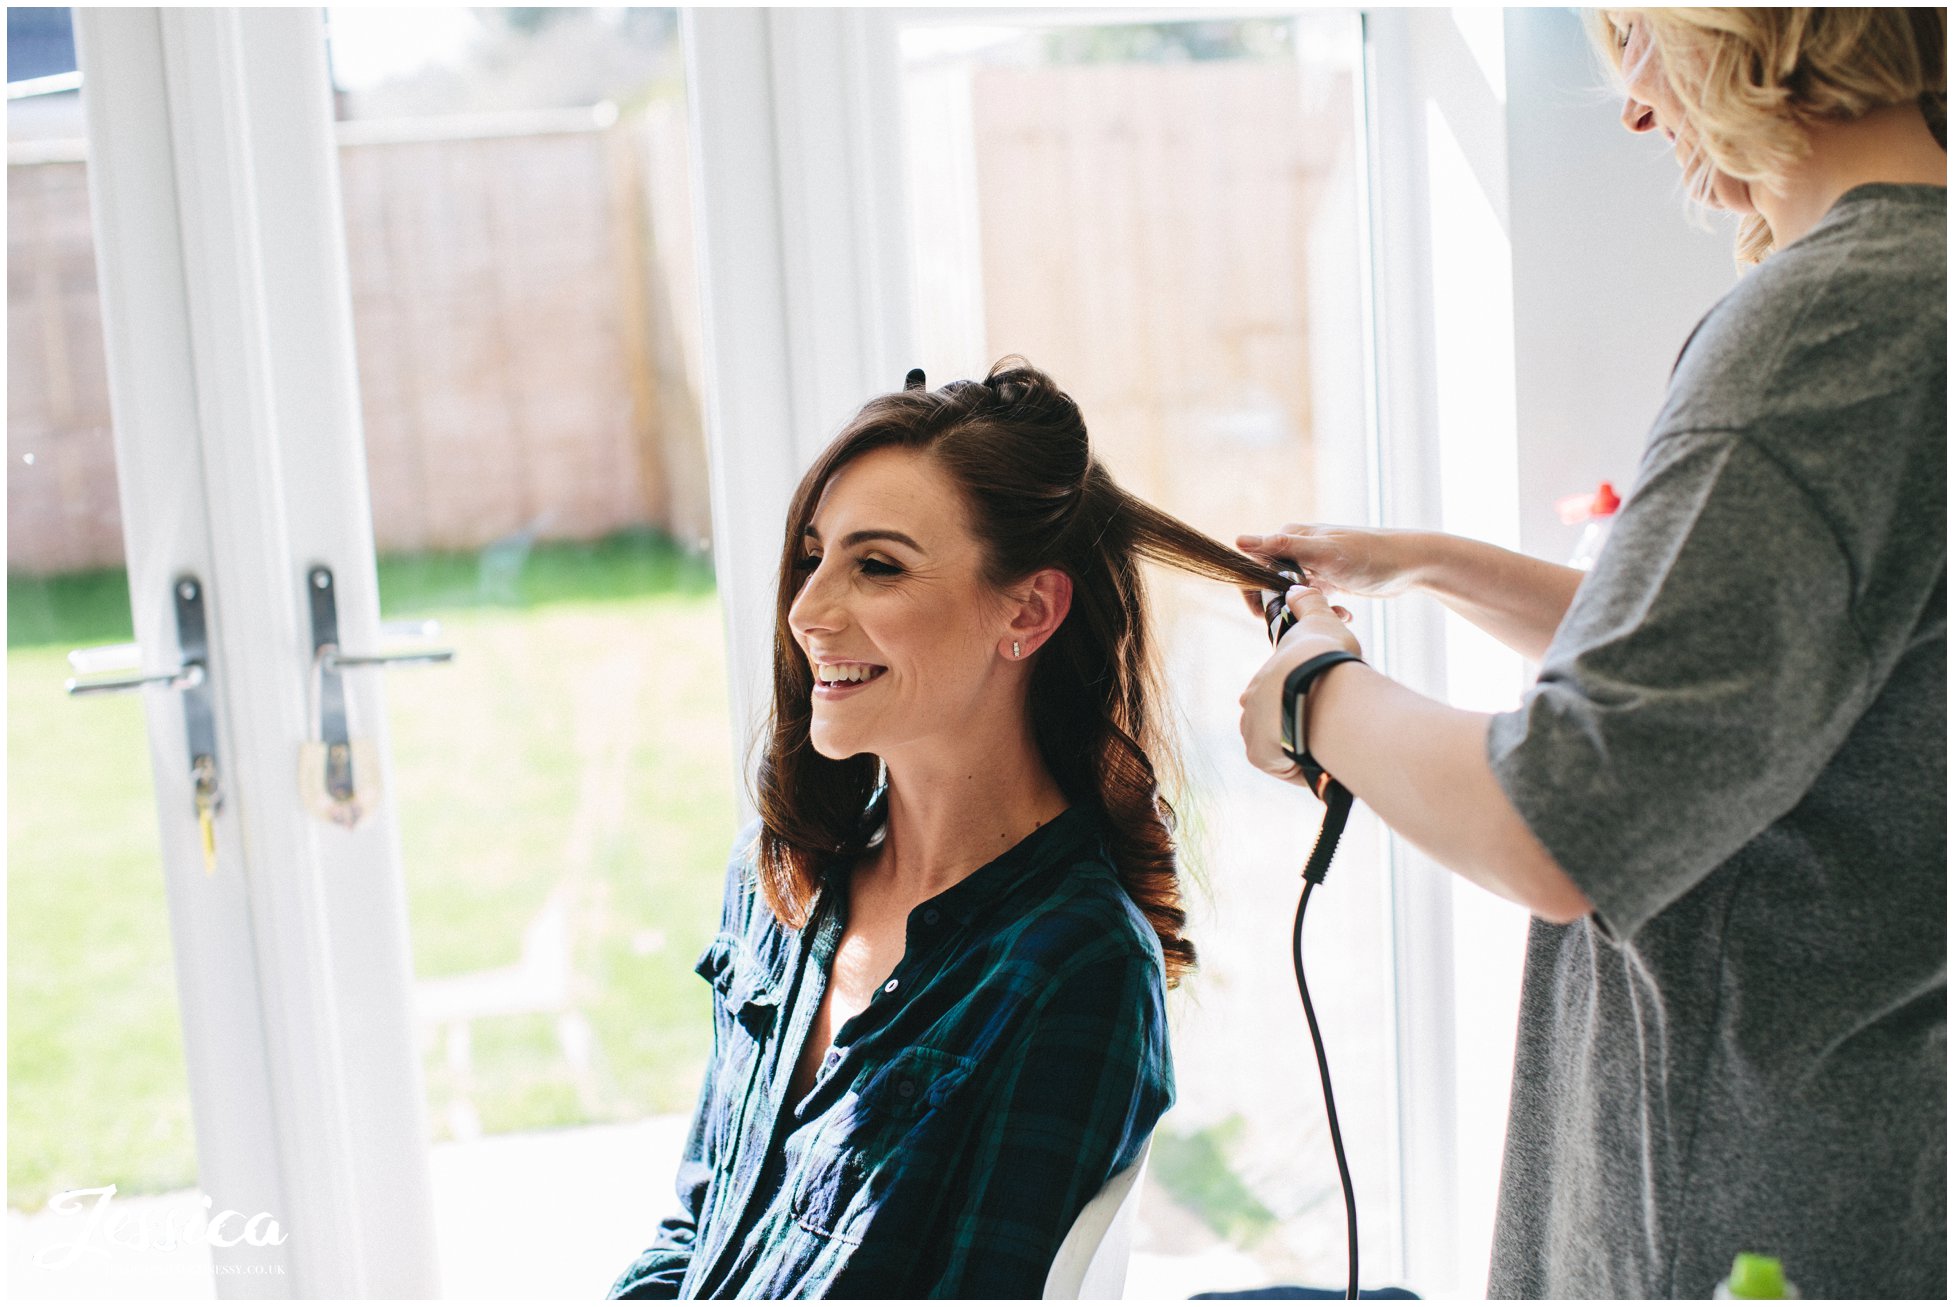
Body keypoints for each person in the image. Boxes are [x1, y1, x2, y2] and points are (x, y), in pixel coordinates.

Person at [1236, 7, 1944, 1299]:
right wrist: (1432, 563)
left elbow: (1553, 824)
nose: (1629, 101)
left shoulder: (1829, 327)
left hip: (1735, 1195)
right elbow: (1750, 672)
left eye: (1632, 33)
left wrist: (1311, 694)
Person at [608, 360, 1293, 1299]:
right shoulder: (782, 876)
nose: (808, 611)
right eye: (815, 556)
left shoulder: (1074, 967)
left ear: (1028, 611)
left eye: (876, 566)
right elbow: (698, 1227)